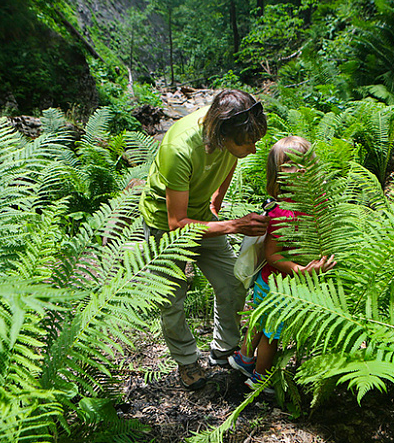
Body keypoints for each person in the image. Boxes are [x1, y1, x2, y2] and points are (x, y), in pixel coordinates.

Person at [139, 89, 269, 390]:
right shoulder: (180, 147)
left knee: (232, 282)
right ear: (222, 135)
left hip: (202, 216)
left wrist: (216, 201)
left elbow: (231, 163)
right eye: (247, 143)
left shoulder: (230, 134)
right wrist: (234, 225)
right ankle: (186, 362)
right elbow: (176, 223)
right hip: (165, 226)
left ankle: (223, 350)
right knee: (171, 300)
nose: (253, 149)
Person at [228, 136, 336, 393]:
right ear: (277, 175)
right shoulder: (283, 213)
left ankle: (244, 357)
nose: (298, 168)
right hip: (279, 284)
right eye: (289, 164)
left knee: (260, 320)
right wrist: (301, 270)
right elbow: (273, 254)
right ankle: (260, 378)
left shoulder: (314, 206)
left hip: (276, 282)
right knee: (271, 334)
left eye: (303, 162)